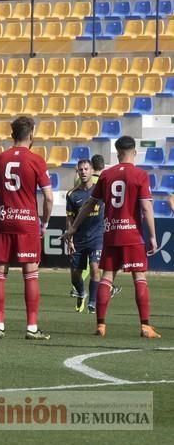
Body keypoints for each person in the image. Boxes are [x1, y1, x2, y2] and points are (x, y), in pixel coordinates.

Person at [64, 135, 161, 339]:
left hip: (111, 233)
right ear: (134, 152)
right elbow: (146, 207)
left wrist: (73, 228)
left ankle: (101, 325)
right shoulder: (141, 175)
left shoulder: (107, 175)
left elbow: (89, 204)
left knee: (107, 277)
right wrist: (152, 236)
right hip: (133, 234)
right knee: (139, 277)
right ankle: (145, 326)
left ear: (117, 154)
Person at [0, 116, 53, 341]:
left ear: (13, 134)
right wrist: (45, 222)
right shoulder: (36, 160)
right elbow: (49, 198)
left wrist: (2, 211)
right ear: (31, 134)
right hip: (27, 222)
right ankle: (32, 328)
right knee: (30, 273)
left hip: (5, 220)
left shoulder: (0, 159)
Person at [66, 159, 104, 314]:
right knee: (75, 275)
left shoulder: (100, 191)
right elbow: (69, 218)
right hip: (79, 239)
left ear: (91, 170)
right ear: (77, 172)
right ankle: (81, 293)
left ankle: (93, 303)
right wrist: (70, 239)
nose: (83, 172)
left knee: (95, 267)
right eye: (80, 169)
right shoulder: (72, 195)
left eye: (86, 169)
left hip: (97, 237)